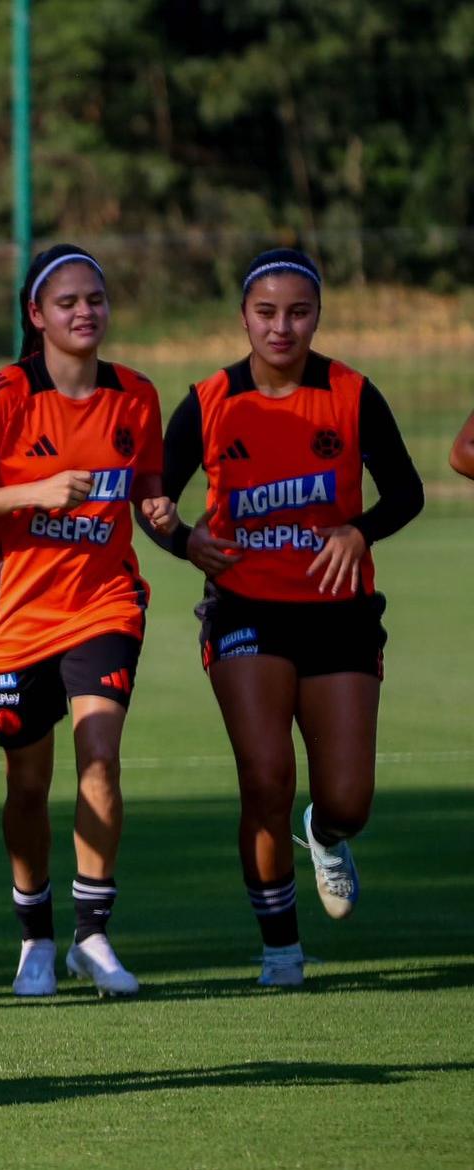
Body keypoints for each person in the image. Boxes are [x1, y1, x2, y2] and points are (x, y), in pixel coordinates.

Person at [148, 249, 423, 986]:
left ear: (317, 316)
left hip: (339, 616)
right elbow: (152, 498)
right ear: (243, 317)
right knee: (265, 777)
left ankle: (325, 836)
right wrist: (182, 539)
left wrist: (359, 529)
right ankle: (280, 949)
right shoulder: (208, 401)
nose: (281, 326)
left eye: (297, 312)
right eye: (266, 312)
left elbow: (406, 491)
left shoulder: (352, 393)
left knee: (347, 800)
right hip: (246, 610)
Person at [0, 244, 176, 999]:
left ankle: (94, 935)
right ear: (37, 316)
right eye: (67, 301)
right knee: (27, 785)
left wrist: (162, 512)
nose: (85, 312)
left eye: (95, 298)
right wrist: (31, 492)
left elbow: (150, 490)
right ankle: (36, 935)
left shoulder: (136, 395)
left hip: (104, 603)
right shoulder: (2, 396)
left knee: (99, 754)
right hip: (17, 618)